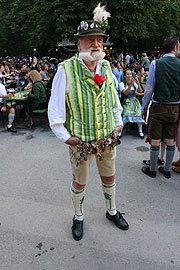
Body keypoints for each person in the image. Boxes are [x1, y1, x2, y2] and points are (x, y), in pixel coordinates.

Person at [48, 3, 129, 241]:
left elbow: (114, 98)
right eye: (89, 40)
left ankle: (111, 211)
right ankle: (79, 216)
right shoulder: (66, 69)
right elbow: (55, 111)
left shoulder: (105, 66)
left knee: (109, 177)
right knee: (79, 181)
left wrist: (118, 122)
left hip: (107, 138)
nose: (96, 44)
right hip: (81, 142)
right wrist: (66, 137)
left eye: (99, 40)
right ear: (79, 44)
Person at [141, 36, 180, 178]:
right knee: (170, 139)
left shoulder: (155, 64)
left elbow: (149, 88)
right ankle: (167, 169)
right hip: (175, 107)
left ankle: (152, 170)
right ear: (175, 47)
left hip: (158, 106)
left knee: (155, 139)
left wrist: (144, 106)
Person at [119, 69, 145, 138]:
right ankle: (120, 131)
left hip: (135, 102)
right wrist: (130, 85)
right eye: (127, 74)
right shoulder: (122, 84)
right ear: (124, 76)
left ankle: (140, 131)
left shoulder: (134, 84)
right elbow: (125, 93)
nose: (129, 76)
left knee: (139, 114)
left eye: (130, 74)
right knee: (126, 113)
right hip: (126, 102)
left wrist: (138, 83)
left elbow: (140, 91)